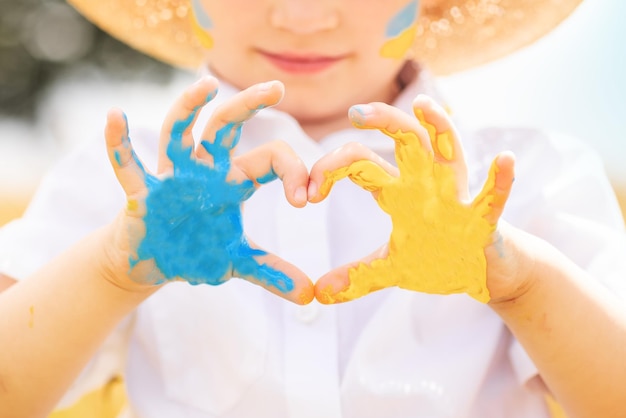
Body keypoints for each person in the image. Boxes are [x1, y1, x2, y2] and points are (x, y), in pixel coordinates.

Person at [1, 0, 625, 417]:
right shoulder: (132, 179)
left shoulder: (524, 177)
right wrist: (111, 269)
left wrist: (522, 283)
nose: (301, 16)